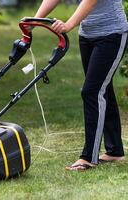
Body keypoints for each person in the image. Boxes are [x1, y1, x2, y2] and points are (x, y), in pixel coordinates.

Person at [34, 0, 128, 170]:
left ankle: (88, 157)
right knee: (102, 89)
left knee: (91, 92)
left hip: (112, 34)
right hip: (87, 36)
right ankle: (115, 151)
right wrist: (34, 21)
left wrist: (68, 24)